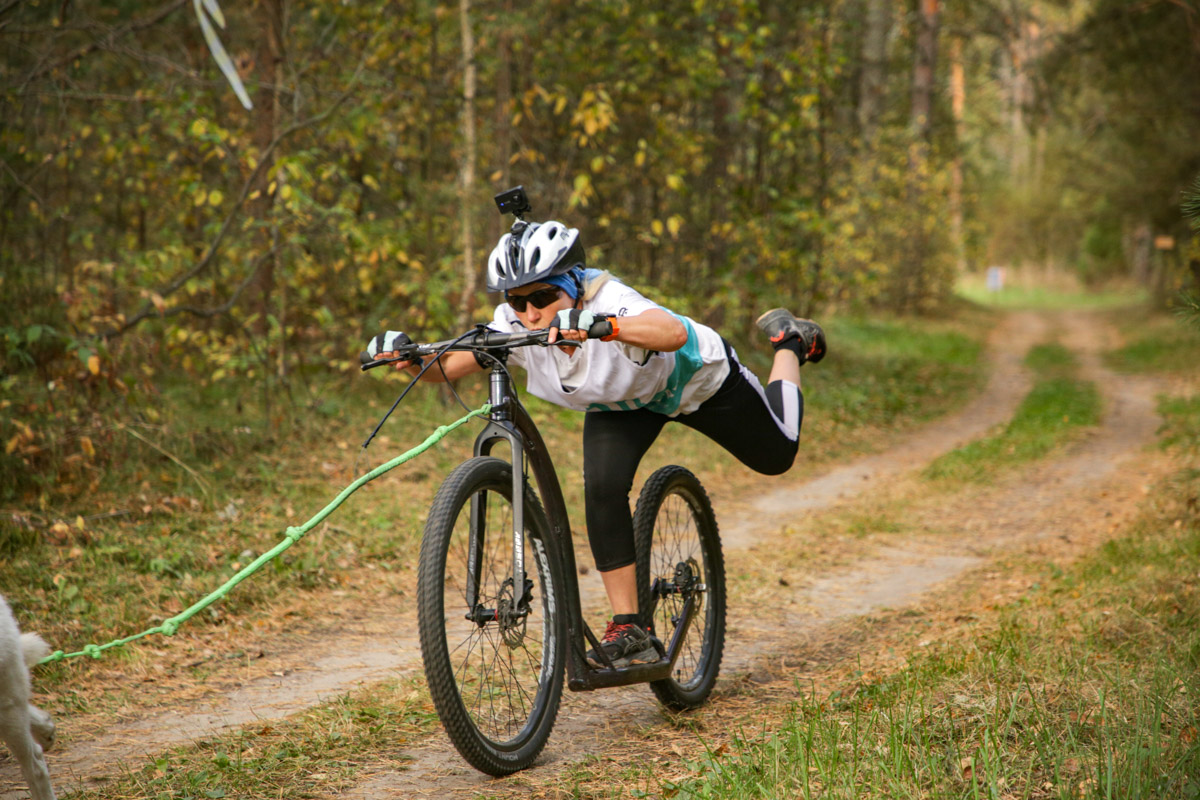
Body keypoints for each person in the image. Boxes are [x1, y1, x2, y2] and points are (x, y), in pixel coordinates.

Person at [367, 216, 825, 668]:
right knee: (601, 489)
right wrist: (407, 359)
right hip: (622, 407)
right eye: (517, 300)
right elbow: (446, 368)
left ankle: (788, 343)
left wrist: (604, 325)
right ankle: (630, 628)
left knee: (778, 455)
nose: (529, 313)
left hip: (697, 385)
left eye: (544, 297)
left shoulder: (609, 297)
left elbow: (673, 331)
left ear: (573, 283)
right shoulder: (515, 325)